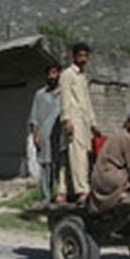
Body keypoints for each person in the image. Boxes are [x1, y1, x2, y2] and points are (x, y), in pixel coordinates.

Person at [58, 42, 100, 202]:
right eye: (80, 55)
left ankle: (62, 191)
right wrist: (67, 119)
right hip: (73, 120)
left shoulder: (82, 76)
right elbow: (65, 98)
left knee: (78, 155)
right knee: (78, 155)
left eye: (85, 56)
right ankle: (82, 190)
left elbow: (87, 102)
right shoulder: (67, 74)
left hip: (83, 121)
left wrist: (93, 123)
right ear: (74, 56)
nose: (83, 59)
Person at [88, 109, 130, 213]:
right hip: (108, 178)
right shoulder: (127, 139)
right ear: (128, 124)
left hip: (99, 179)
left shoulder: (118, 135)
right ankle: (123, 193)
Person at [27, 61, 62, 201]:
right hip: (45, 137)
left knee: (60, 168)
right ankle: (46, 198)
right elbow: (34, 118)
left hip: (60, 138)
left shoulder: (65, 93)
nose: (52, 76)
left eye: (54, 72)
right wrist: (35, 136)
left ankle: (61, 196)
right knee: (46, 167)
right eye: (49, 73)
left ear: (59, 74)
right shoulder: (40, 95)